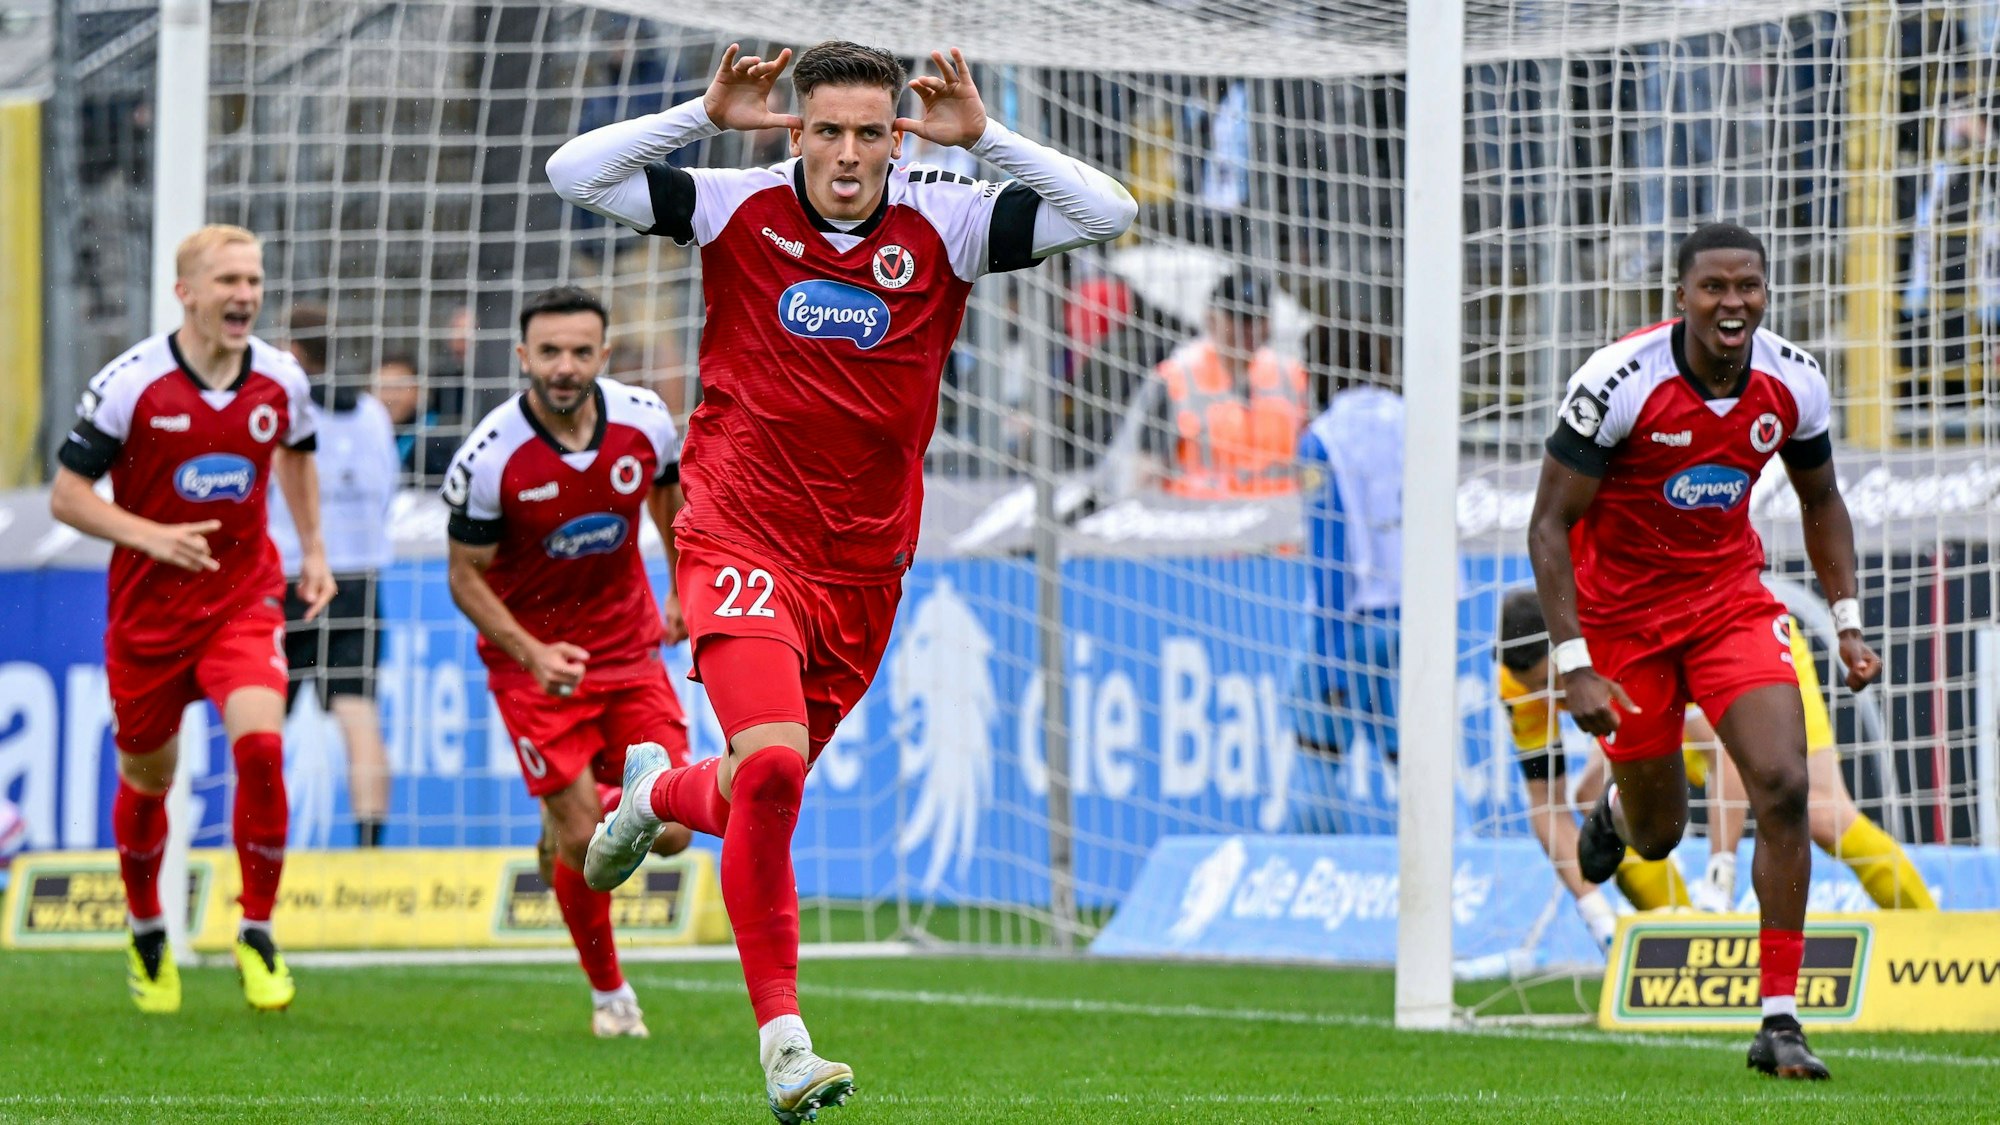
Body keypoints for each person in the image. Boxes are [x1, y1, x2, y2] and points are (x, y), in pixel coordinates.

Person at [548, 40, 1135, 1120]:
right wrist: (700, 113)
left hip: (864, 566)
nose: (850, 154)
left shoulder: (947, 218)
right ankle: (783, 1042)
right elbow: (572, 174)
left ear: (898, 137)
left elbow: (1106, 211)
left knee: (755, 785)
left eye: (873, 131)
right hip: (736, 535)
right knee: (770, 775)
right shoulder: (735, 204)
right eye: (828, 131)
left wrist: (987, 137)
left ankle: (654, 791)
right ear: (797, 132)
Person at [1528, 223, 1883, 1080]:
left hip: (1728, 601)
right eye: (1715, 289)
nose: (1734, 304)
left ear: (1766, 291)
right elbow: (1548, 524)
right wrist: (1574, 661)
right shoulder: (1617, 382)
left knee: (1785, 783)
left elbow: (1822, 498)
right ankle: (1615, 812)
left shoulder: (1793, 380)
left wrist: (1848, 618)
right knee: (1659, 834)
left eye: (1748, 287)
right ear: (1679, 296)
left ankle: (1780, 1018)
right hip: (1623, 619)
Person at [49, 224, 330, 1014]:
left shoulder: (281, 378)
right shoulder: (130, 384)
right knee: (149, 779)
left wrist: (312, 549)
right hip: (148, 616)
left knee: (263, 748)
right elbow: (66, 495)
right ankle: (146, 930)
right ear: (187, 294)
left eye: (253, 280)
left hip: (242, 601)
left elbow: (299, 455)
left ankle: (259, 929)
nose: (244, 295)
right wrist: (151, 535)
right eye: (228, 281)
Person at [441, 286, 696, 1038]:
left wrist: (683, 591)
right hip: (532, 665)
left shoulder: (645, 420)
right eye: (548, 352)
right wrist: (532, 649)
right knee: (591, 846)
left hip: (628, 646)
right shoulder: (491, 456)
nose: (564, 366)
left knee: (676, 829)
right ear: (523, 357)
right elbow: (463, 575)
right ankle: (611, 993)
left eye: (580, 352)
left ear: (603, 356)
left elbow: (672, 508)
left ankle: (572, 813)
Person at [1682, 614, 1935, 913]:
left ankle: (1936, 934)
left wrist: (1847, 618)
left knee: (1824, 812)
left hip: (1738, 636)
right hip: (1646, 639)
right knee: (1632, 804)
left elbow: (1731, 750)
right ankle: (1644, 936)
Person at [1494, 589, 1695, 947]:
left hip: (1693, 721)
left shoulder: (1613, 641)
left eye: (1547, 683)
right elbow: (1545, 803)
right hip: (1637, 728)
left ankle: (1705, 905)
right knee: (1594, 794)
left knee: (1817, 811)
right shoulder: (1516, 686)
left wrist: (1721, 867)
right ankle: (1677, 919)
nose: (1544, 698)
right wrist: (1594, 912)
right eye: (1533, 688)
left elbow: (1719, 750)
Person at [268, 303, 399, 847]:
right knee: (358, 712)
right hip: (356, 578)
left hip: (288, 574)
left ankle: (253, 839)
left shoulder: (283, 409)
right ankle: (369, 849)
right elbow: (389, 488)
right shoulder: (371, 413)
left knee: (262, 714)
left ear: (292, 350)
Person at [1287, 332, 1402, 833]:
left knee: (1318, 753)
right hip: (1414, 621)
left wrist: (1331, 662)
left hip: (1350, 621)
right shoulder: (1416, 419)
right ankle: (1458, 868)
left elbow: (1330, 554)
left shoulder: (1323, 439)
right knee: (1417, 761)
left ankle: (1319, 866)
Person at [1128, 268, 1307, 497]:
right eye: (1239, 320)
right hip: (1205, 522)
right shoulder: (1177, 378)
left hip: (1277, 520)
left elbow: (1309, 459)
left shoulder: (1290, 375)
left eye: (1257, 319)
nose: (1249, 330)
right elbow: (1147, 468)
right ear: (1211, 319)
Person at [375, 354, 457, 484]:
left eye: (398, 388)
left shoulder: (436, 439)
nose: (389, 397)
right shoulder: (368, 435)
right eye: (383, 388)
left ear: (419, 390)